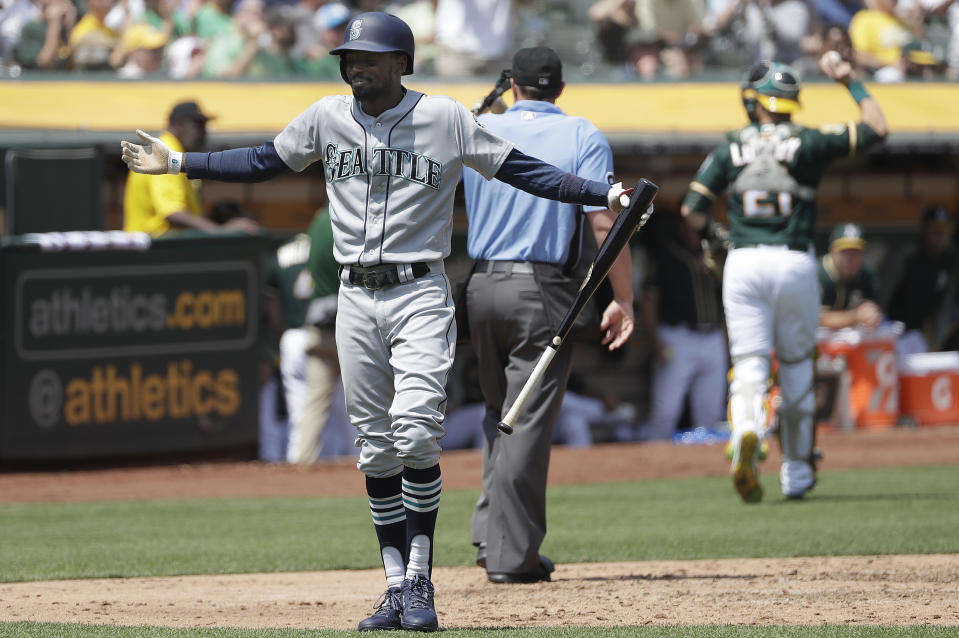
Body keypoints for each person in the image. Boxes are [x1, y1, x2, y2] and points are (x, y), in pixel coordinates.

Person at [121, 11, 634, 632]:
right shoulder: (325, 117)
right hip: (353, 299)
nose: (355, 65)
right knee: (374, 450)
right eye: (350, 57)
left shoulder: (445, 117)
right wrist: (178, 165)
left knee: (416, 433)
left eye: (368, 57)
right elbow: (262, 161)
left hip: (420, 291)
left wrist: (598, 194)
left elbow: (521, 169)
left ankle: (419, 579)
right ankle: (393, 587)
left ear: (401, 63)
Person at [460, 46, 635, 584]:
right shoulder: (581, 132)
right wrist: (621, 298)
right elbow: (606, 223)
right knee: (526, 423)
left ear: (512, 86)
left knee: (500, 414)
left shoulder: (477, 127)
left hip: (480, 283)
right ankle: (514, 558)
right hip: (540, 288)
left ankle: (492, 538)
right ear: (559, 89)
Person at [680, 55, 889, 502]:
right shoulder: (808, 141)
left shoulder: (730, 145)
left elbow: (691, 211)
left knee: (751, 363)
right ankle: (795, 470)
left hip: (744, 261)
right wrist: (849, 80)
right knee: (795, 365)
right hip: (794, 262)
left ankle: (747, 432)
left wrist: (714, 237)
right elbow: (877, 128)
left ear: (756, 101)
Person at [638, 209, 726, 441]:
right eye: (690, 225)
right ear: (680, 226)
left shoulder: (717, 255)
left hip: (712, 336)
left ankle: (705, 469)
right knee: (666, 410)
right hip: (677, 337)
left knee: (710, 412)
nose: (694, 231)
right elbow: (649, 300)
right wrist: (655, 342)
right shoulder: (666, 255)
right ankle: (651, 466)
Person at [122, 101, 260, 236]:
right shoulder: (167, 152)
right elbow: (172, 212)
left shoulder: (176, 152)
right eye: (198, 125)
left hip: (157, 248)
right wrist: (220, 231)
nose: (203, 132)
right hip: (150, 250)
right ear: (178, 125)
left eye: (204, 126)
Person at [283, 210, 344, 464]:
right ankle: (385, 468)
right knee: (374, 403)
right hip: (353, 322)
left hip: (319, 324)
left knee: (315, 403)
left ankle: (301, 465)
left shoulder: (318, 220)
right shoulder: (350, 216)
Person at [886, 205, 956, 357]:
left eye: (945, 229)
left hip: (918, 335)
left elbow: (944, 307)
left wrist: (936, 342)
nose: (940, 234)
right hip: (893, 329)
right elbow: (883, 296)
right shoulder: (907, 256)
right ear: (924, 230)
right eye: (935, 229)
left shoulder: (949, 260)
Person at [818, 222, 883, 331]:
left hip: (849, 341)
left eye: (856, 251)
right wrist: (855, 316)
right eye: (845, 251)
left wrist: (872, 314)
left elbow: (871, 308)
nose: (850, 257)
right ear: (832, 250)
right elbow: (816, 318)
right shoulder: (817, 274)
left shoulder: (867, 275)